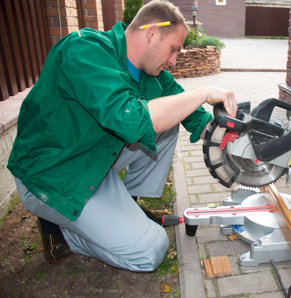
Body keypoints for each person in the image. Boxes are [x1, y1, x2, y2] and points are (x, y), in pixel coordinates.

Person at [7, 0, 236, 272]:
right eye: (173, 49)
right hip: (54, 177)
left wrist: (233, 141)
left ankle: (128, 206)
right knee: (151, 251)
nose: (174, 61)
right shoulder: (84, 50)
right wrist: (202, 92)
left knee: (170, 118)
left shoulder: (150, 72)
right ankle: (62, 232)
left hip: (92, 158)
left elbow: (194, 116)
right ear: (151, 32)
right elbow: (133, 120)